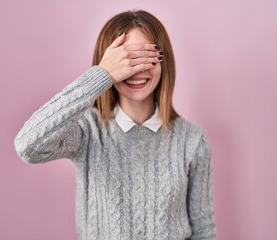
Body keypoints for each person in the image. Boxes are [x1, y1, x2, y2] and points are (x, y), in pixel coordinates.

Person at [14, 10, 216, 240]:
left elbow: (203, 230)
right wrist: (101, 75)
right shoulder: (86, 131)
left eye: (146, 56)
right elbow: (27, 145)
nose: (136, 69)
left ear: (164, 60)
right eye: (126, 59)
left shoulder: (192, 139)